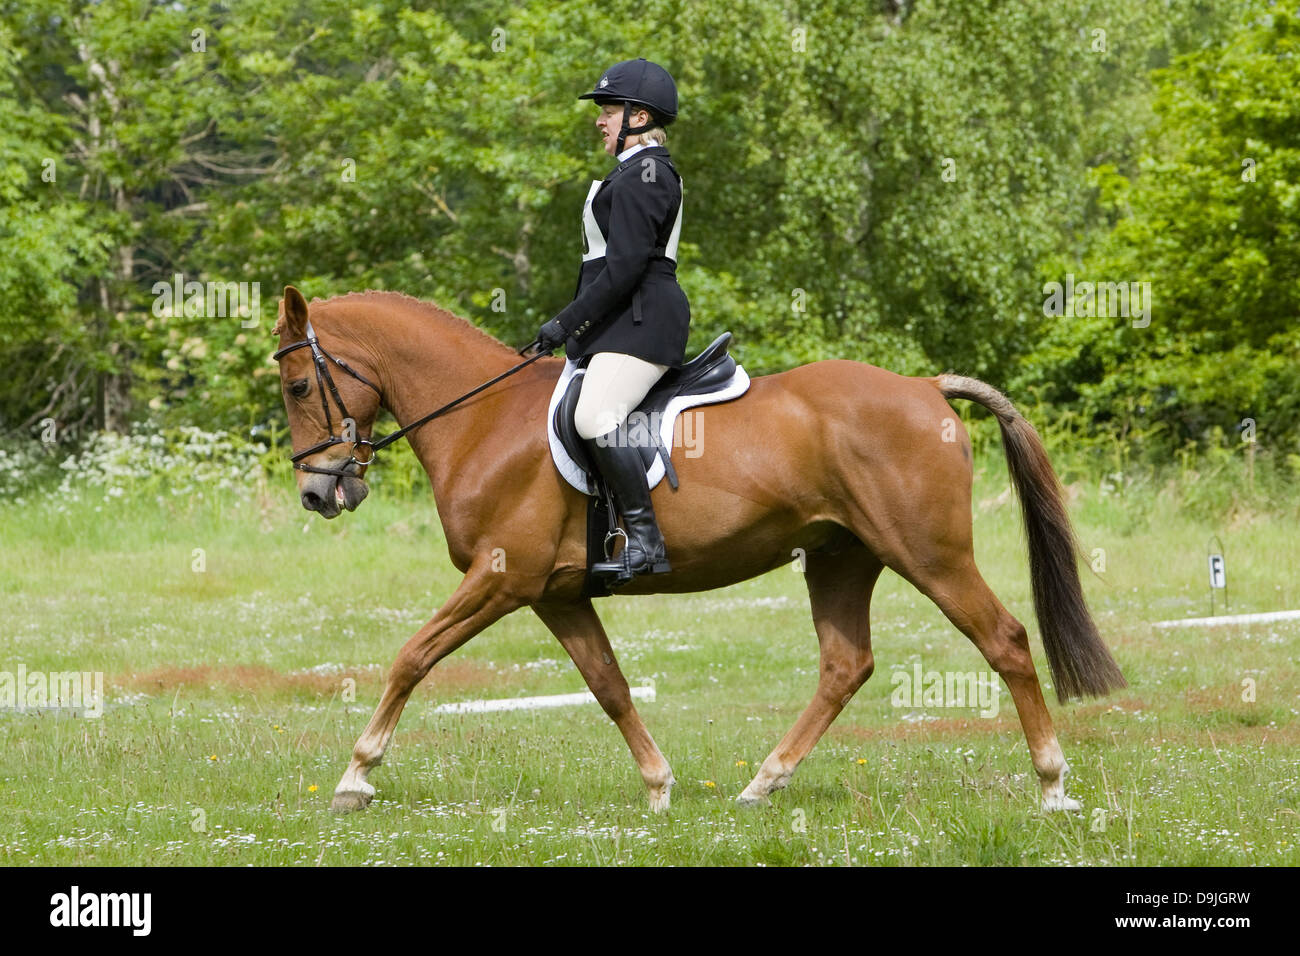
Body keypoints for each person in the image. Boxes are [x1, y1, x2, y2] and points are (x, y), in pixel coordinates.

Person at [536, 58, 689, 585]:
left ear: (639, 117)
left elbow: (624, 270)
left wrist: (564, 324)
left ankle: (646, 540)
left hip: (643, 324)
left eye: (609, 111)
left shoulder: (647, 172)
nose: (600, 121)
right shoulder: (630, 172)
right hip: (622, 324)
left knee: (595, 417)